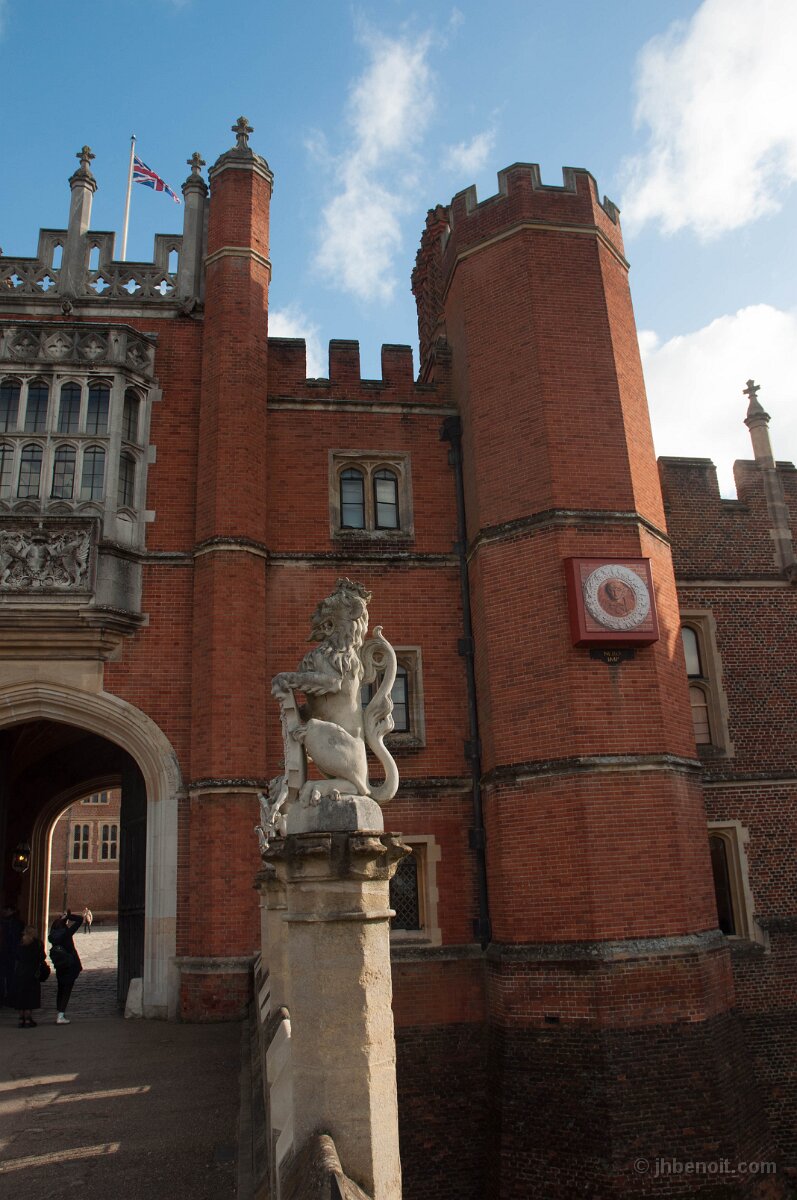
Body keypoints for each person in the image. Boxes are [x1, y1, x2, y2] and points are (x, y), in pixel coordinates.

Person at [48, 910, 83, 1024]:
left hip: (60, 965)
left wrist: (61, 919)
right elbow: (80, 920)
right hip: (70, 964)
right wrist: (68, 916)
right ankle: (61, 1015)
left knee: (61, 989)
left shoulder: (52, 936)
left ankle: (60, 1012)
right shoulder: (66, 933)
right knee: (67, 990)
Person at [12, 925, 47, 1028]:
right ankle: (28, 1019)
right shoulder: (37, 943)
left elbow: (16, 956)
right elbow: (42, 957)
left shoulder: (20, 943)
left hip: (20, 972)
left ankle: (21, 1018)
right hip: (32, 973)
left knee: (20, 996)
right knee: (30, 996)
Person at [1, 906, 24, 1006]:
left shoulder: (15, 923)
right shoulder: (5, 922)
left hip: (11, 953)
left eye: (7, 909)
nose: (4, 911)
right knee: (6, 976)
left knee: (11, 976)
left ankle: (10, 997)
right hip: (7, 952)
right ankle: (6, 997)